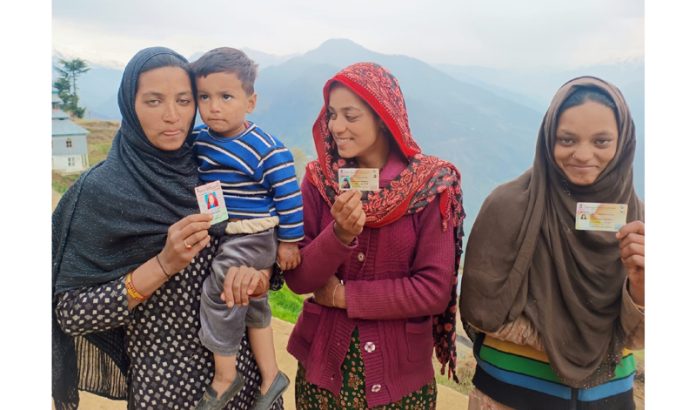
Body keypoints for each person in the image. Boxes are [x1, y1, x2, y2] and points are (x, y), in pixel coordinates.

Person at [52, 46, 284, 410]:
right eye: (154, 101)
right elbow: (72, 313)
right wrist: (162, 265)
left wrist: (259, 275)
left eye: (184, 100)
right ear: (130, 104)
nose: (172, 116)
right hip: (168, 391)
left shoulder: (208, 167)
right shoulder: (102, 191)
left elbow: (250, 238)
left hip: (245, 384)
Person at [283, 62, 465, 409]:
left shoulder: (430, 185)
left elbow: (433, 291)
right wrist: (338, 234)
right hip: (321, 376)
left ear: (383, 117)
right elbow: (299, 277)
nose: (336, 126)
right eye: (333, 114)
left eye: (350, 116)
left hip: (400, 384)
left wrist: (342, 296)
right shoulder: (320, 179)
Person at [459, 76, 645, 410]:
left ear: (623, 142)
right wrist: (574, 337)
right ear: (548, 140)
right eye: (567, 140)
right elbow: (481, 313)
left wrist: (642, 287)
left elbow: (641, 338)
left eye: (601, 141)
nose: (583, 154)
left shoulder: (637, 221)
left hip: (609, 400)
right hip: (509, 397)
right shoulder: (509, 206)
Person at [190, 47, 301, 410]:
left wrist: (288, 242)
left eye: (226, 96)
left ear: (250, 102)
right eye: (204, 97)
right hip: (225, 230)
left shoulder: (265, 149)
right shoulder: (200, 140)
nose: (214, 107)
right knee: (253, 304)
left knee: (221, 289)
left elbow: (287, 194)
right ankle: (272, 377)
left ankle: (226, 376)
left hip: (254, 234)